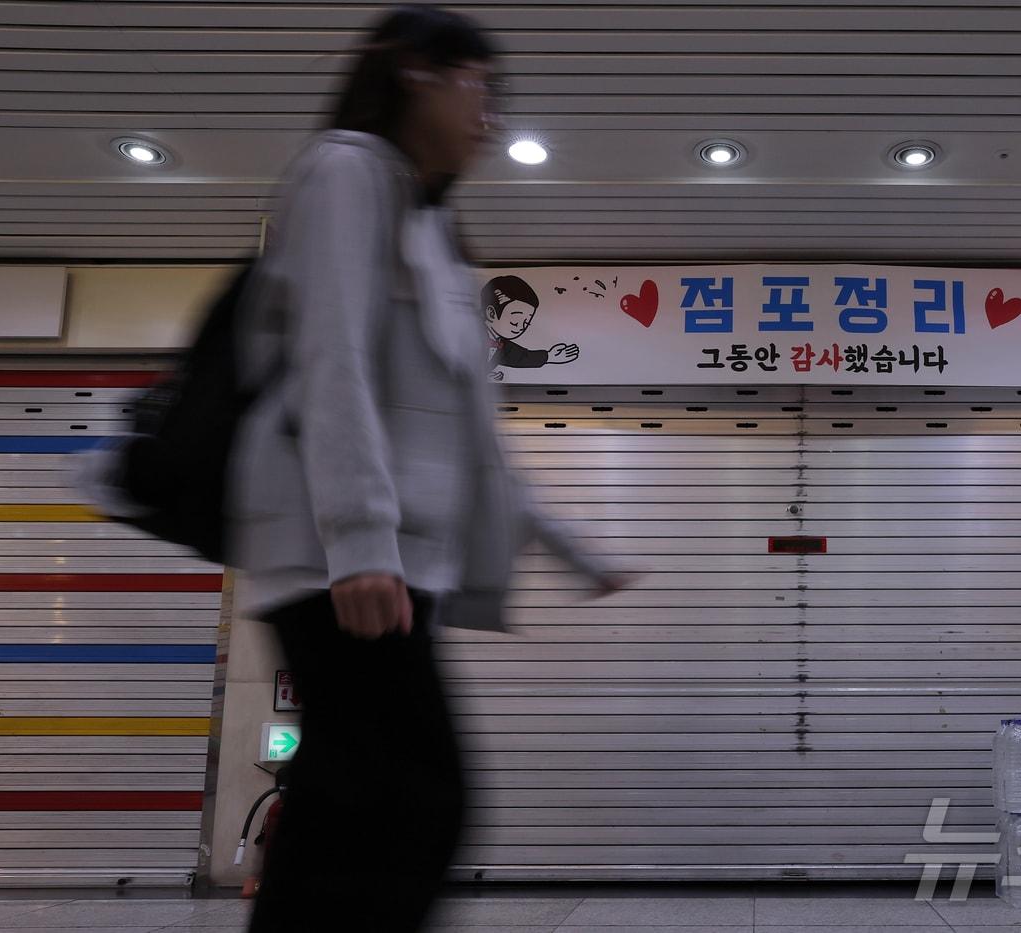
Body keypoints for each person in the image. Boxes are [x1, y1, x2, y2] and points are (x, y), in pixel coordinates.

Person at [228, 8, 619, 931]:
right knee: (410, 799)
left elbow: (472, 436)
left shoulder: (431, 229)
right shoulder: (347, 171)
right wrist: (359, 538)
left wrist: (571, 548)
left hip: (391, 563)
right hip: (339, 556)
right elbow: (331, 357)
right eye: (479, 85)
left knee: (366, 802)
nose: (491, 115)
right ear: (415, 74)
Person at [482, 274, 580, 372]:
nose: (521, 327)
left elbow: (521, 357)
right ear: (491, 313)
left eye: (526, 323)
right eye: (515, 321)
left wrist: (549, 356)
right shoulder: (475, 335)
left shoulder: (501, 344)